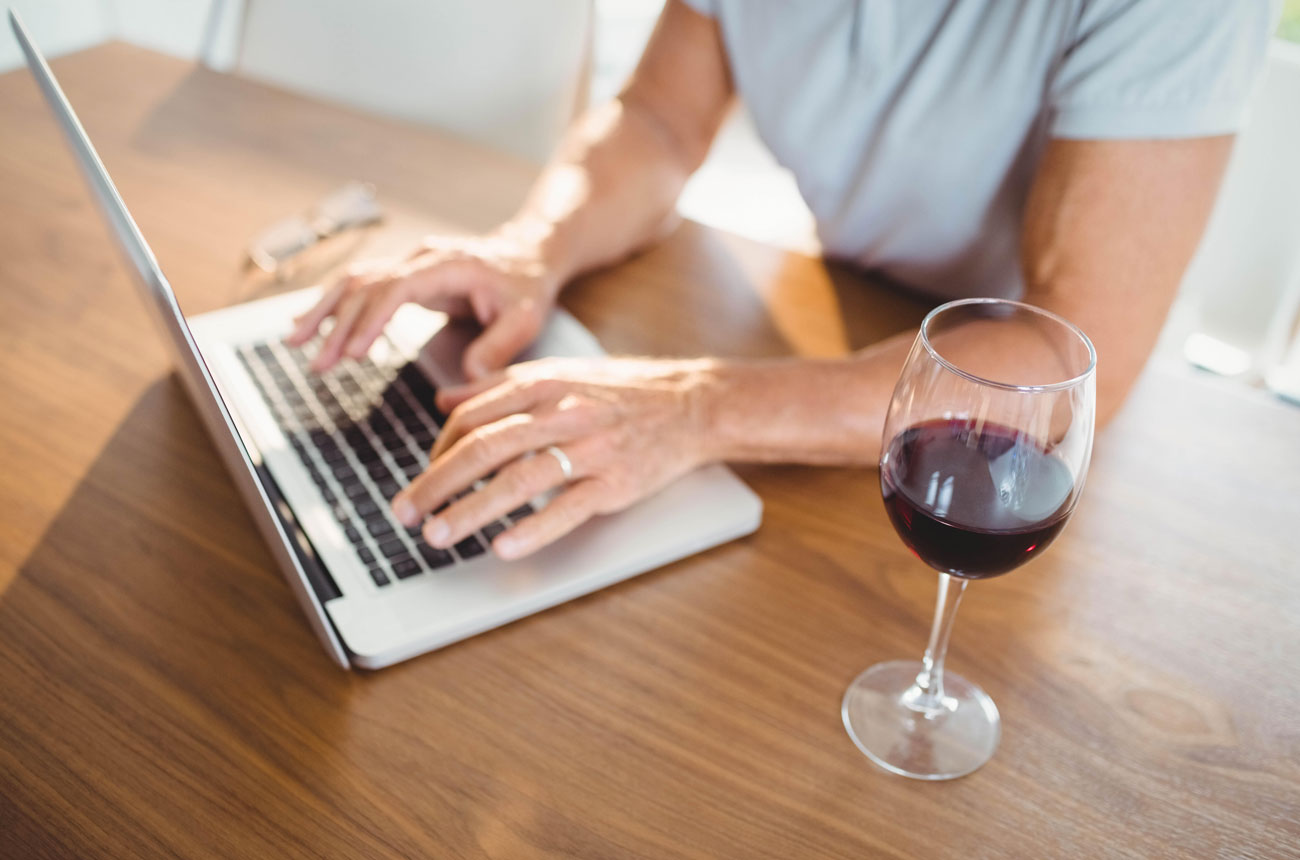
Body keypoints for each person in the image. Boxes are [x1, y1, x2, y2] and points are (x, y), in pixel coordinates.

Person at [287, 0, 1277, 560]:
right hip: (843, 323)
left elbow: (1070, 345)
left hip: (1023, 442)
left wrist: (692, 406)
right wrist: (532, 247)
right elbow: (660, 121)